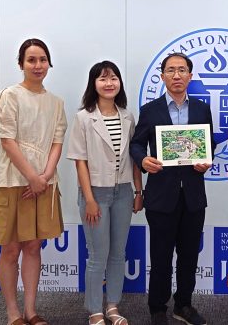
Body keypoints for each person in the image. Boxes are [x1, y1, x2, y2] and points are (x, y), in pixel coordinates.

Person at [129, 52, 215, 325]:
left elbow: (208, 144)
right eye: (171, 70)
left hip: (193, 195)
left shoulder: (202, 109)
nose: (176, 75)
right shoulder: (151, 109)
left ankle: (184, 305)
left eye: (182, 70)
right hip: (161, 195)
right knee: (161, 256)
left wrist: (205, 162)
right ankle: (157, 307)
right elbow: (137, 144)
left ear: (190, 75)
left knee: (189, 255)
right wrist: (143, 159)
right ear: (162, 76)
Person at [0, 38, 67, 325]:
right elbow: (8, 141)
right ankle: (13, 313)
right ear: (21, 63)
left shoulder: (56, 102)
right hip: (14, 181)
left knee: (34, 246)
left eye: (42, 59)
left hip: (45, 184)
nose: (38, 65)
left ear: (49, 63)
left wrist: (45, 176)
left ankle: (31, 311)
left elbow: (57, 142)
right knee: (11, 248)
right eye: (31, 60)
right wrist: (32, 176)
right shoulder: (8, 96)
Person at [67, 61, 144, 325]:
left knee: (118, 253)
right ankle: (94, 310)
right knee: (97, 254)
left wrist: (138, 191)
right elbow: (80, 161)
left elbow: (134, 158)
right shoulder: (83, 118)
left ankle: (112, 306)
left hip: (123, 191)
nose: (109, 83)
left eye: (113, 78)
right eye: (102, 79)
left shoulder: (127, 116)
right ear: (94, 84)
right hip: (95, 194)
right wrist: (89, 199)